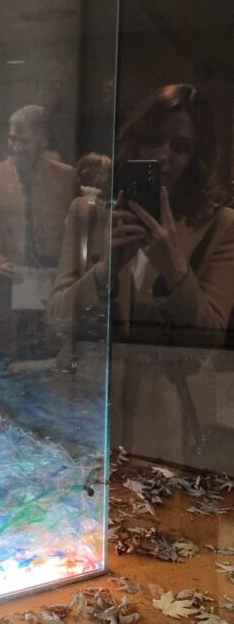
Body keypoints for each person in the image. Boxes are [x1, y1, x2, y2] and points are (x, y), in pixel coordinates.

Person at [48, 84, 234, 464]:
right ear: (134, 141)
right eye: (152, 140)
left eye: (180, 147)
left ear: (196, 156)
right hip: (85, 405)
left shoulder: (219, 226)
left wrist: (174, 266)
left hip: (164, 413)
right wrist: (106, 270)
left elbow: (210, 339)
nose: (163, 156)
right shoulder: (88, 213)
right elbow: (56, 319)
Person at [0, 105, 78, 356]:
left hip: (51, 289)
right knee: (2, 358)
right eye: (12, 139)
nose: (15, 147)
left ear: (43, 140)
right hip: (4, 291)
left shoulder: (66, 178)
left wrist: (66, 271)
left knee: (50, 356)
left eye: (24, 141)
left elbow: (77, 231)